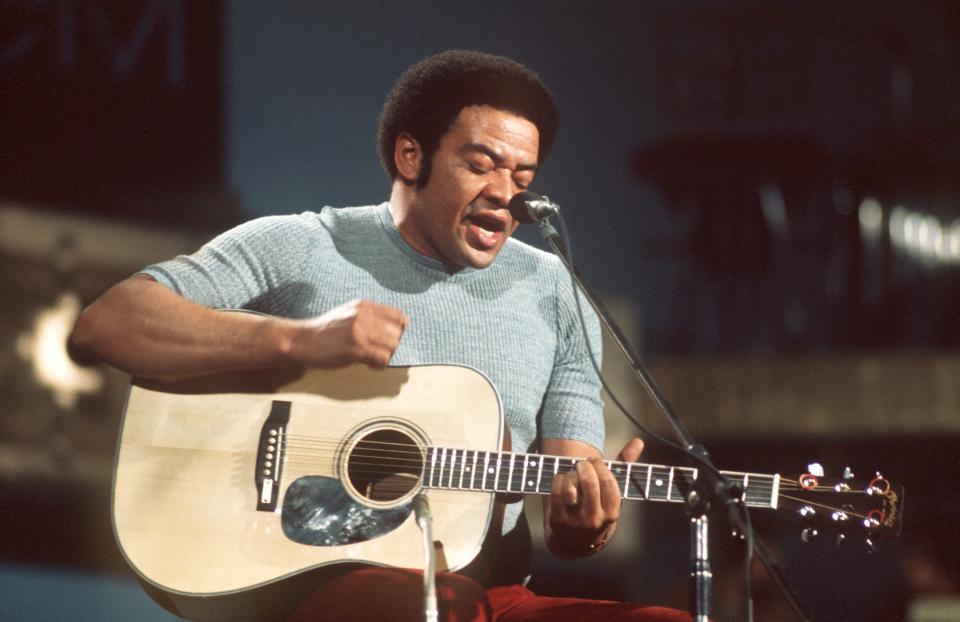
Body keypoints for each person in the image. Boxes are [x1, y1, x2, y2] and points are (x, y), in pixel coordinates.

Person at [70, 50, 690, 621]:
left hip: (486, 588)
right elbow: (107, 324)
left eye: (522, 178)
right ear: (410, 157)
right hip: (313, 579)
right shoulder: (306, 245)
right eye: (480, 165)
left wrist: (584, 524)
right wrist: (300, 341)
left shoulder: (556, 291)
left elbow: (567, 495)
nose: (503, 194)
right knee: (436, 606)